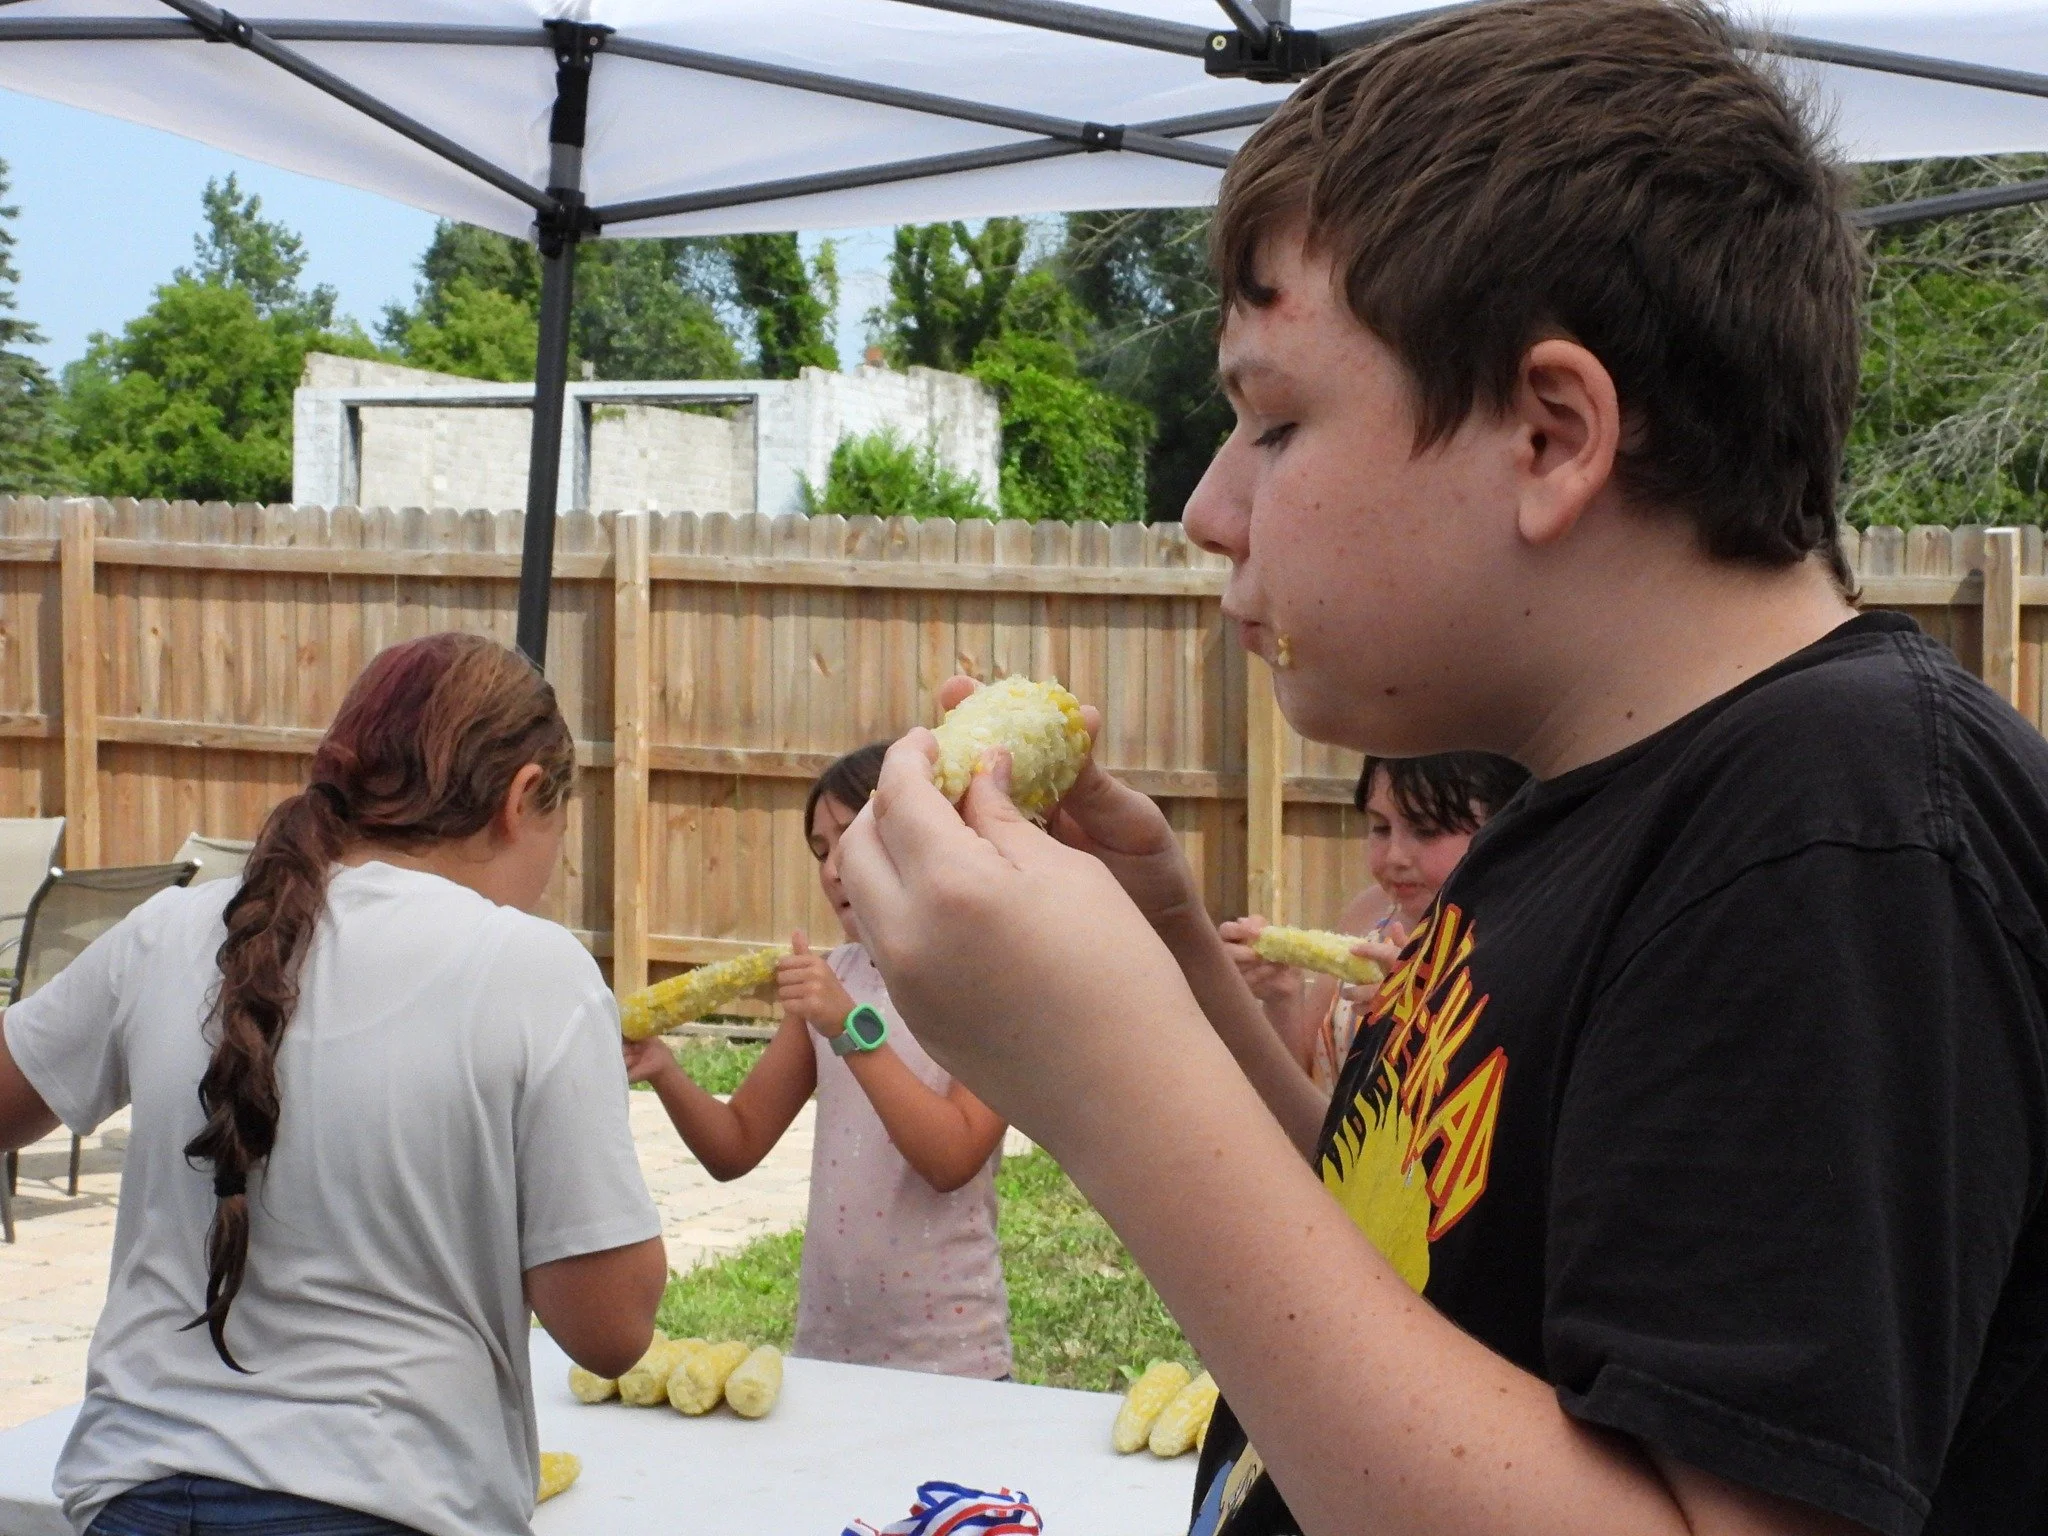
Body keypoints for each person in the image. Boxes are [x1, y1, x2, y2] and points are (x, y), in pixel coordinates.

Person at [831, 3, 2048, 1534]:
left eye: (1272, 421)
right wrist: (1159, 945)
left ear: (1550, 435)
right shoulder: (1588, 807)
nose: (1209, 510)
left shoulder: (1846, 833)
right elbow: (1399, 1265)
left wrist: (1115, 1085)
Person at [0, 633, 665, 1536]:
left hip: (139, 1497)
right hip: (385, 1499)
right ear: (521, 801)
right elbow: (611, 1330)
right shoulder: (532, 969)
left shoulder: (171, 930)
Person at [625, 742, 1013, 1380]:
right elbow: (735, 1145)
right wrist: (664, 1070)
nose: (834, 869)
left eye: (853, 839)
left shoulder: (985, 985)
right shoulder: (835, 979)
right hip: (829, 1355)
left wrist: (848, 1027)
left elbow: (952, 1158)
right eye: (820, 851)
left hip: (953, 1359)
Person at [1220, 753, 1528, 1087]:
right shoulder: (1371, 912)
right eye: (1380, 828)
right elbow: (1302, 1087)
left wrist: (1427, 1019)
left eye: (1425, 831)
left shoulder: (1519, 947)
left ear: (1502, 828)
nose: (1394, 856)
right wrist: (1281, 995)